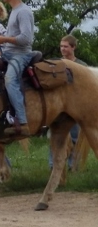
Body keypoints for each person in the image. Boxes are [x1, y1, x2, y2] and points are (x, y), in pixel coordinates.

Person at [0, 0, 35, 137]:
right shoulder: (15, 11)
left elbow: (26, 39)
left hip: (21, 54)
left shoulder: (23, 11)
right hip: (9, 53)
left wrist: (3, 39)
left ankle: (23, 123)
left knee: (10, 80)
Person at [48, 34, 87, 169]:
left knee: (75, 136)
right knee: (54, 136)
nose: (63, 49)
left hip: (75, 105)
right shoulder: (57, 64)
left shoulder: (81, 66)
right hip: (58, 106)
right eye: (61, 46)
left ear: (73, 47)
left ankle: (73, 165)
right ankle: (53, 165)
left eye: (66, 46)